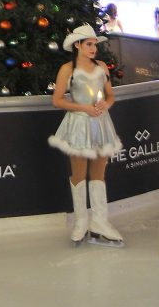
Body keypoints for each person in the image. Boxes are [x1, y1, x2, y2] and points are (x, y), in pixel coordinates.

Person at [48, 25, 124, 247]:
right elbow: (57, 100)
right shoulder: (66, 69)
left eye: (95, 45)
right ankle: (81, 221)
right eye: (89, 44)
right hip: (79, 125)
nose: (93, 48)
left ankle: (100, 221)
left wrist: (105, 105)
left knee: (99, 173)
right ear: (77, 45)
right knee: (79, 173)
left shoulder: (101, 67)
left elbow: (110, 96)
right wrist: (84, 108)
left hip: (100, 124)